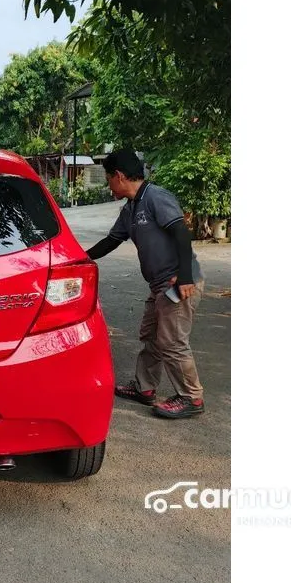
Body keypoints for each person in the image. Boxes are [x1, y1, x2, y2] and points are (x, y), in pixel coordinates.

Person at [85, 149, 206, 419]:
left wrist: (185, 275)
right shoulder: (130, 208)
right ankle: (145, 387)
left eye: (108, 179)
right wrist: (80, 258)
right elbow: (111, 241)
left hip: (178, 281)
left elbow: (180, 233)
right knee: (151, 337)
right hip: (159, 286)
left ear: (119, 176)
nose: (108, 185)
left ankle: (191, 397)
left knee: (173, 342)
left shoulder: (155, 197)